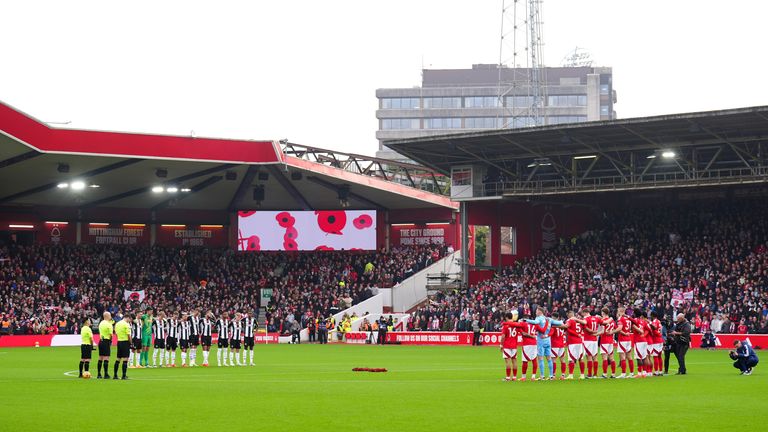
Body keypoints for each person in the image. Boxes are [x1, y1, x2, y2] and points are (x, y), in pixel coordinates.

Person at [523, 307, 565, 380]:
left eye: (536, 311)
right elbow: (560, 323)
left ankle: (542, 376)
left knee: (540, 358)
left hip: (541, 340)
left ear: (540, 311)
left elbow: (535, 323)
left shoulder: (539, 318)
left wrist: (526, 320)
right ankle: (551, 376)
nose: (535, 312)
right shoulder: (549, 319)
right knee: (549, 358)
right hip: (548, 340)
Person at [499, 311, 527, 381]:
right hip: (514, 346)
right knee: (514, 361)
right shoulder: (516, 325)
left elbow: (503, 336)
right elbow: (522, 333)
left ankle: (508, 377)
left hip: (507, 345)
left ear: (506, 317)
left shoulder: (505, 325)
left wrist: (501, 345)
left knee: (507, 361)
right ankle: (514, 377)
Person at [562, 310, 587, 379]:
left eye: (568, 315)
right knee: (581, 358)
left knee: (571, 358)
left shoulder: (569, 320)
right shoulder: (579, 321)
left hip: (572, 342)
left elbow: (566, 326)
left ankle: (571, 375)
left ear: (570, 314)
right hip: (579, 342)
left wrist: (560, 326)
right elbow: (585, 327)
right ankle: (582, 375)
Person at [581, 308, 602, 378]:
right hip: (595, 340)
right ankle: (595, 374)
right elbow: (604, 322)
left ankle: (589, 374)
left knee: (589, 357)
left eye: (583, 313)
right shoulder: (596, 318)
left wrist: (591, 331)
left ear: (585, 312)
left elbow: (585, 327)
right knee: (595, 357)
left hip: (588, 340)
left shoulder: (586, 319)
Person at [616, 307, 635, 378]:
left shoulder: (620, 318)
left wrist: (614, 331)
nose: (617, 312)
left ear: (621, 311)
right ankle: (631, 373)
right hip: (628, 339)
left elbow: (620, 329)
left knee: (622, 357)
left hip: (622, 339)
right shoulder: (628, 319)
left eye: (618, 311)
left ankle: (623, 373)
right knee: (629, 357)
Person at [599, 307, 619, 378]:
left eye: (601, 312)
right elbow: (616, 328)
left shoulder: (603, 321)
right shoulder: (612, 321)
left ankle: (604, 374)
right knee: (612, 358)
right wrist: (612, 332)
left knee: (604, 358)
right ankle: (613, 374)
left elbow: (601, 331)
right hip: (611, 341)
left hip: (604, 340)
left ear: (603, 313)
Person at [113, 315, 132, 380]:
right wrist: (131, 343)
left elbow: (115, 333)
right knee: (125, 359)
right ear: (127, 317)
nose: (130, 320)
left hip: (119, 342)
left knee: (118, 359)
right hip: (125, 342)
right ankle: (124, 375)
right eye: (130, 319)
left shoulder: (117, 324)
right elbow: (128, 335)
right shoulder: (126, 325)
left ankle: (115, 375)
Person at [97, 312, 114, 379]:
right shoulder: (109, 324)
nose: (111, 317)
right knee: (106, 358)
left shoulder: (101, 323)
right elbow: (110, 335)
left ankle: (99, 374)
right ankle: (106, 374)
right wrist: (110, 341)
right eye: (110, 315)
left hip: (101, 341)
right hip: (106, 341)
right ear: (107, 316)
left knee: (100, 357)